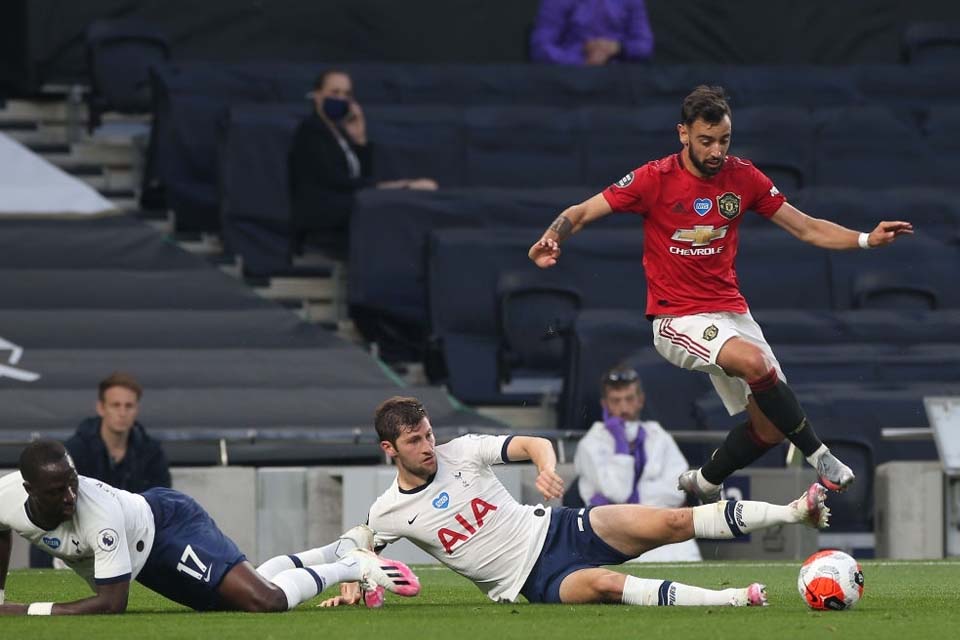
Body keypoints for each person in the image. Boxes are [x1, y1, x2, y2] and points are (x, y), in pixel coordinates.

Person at [527, 85, 914, 504]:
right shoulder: (652, 179)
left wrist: (864, 240)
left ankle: (707, 480)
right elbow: (580, 212)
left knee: (768, 428)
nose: (716, 151)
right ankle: (820, 455)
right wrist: (552, 236)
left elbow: (803, 226)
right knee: (754, 361)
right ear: (683, 134)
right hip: (676, 318)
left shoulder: (743, 177)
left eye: (724, 141)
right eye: (706, 141)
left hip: (731, 312)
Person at [322, 396, 829, 607]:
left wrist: (545, 467)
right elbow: (355, 545)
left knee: (674, 521)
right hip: (535, 580)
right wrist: (357, 578)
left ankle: (795, 511)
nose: (428, 447)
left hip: (562, 527)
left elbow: (532, 444)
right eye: (415, 442)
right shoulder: (389, 509)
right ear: (390, 449)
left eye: (429, 435)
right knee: (608, 584)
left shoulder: (461, 453)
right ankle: (733, 599)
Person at [0, 440, 419, 615]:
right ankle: (335, 549)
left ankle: (352, 565)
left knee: (265, 602)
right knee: (233, 601)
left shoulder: (98, 515)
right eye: (58, 491)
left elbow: (112, 604)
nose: (70, 498)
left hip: (167, 529)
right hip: (148, 558)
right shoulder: (6, 498)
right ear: (28, 489)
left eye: (73, 484)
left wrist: (19, 611)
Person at [288, 69, 437, 259]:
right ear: (317, 96)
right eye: (335, 92)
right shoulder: (310, 131)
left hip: (345, 211)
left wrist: (360, 141)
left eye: (347, 94)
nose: (341, 99)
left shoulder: (339, 134)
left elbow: (360, 178)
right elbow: (334, 180)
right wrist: (390, 187)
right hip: (323, 216)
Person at [574, 366, 700, 562]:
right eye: (616, 401)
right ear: (605, 404)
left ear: (640, 400)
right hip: (613, 537)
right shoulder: (590, 444)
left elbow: (677, 491)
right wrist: (621, 447)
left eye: (629, 399)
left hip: (664, 533)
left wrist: (633, 500)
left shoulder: (658, 436)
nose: (623, 408)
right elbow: (619, 492)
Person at [66, 372, 170, 494]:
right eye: (115, 405)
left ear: (137, 409)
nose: (122, 413)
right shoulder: (76, 451)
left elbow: (162, 501)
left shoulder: (152, 454)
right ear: (101, 408)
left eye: (129, 406)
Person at [530, 0, 654, 66]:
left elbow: (644, 44)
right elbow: (540, 47)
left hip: (620, 81)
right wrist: (581, 62)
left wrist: (616, 48)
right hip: (570, 80)